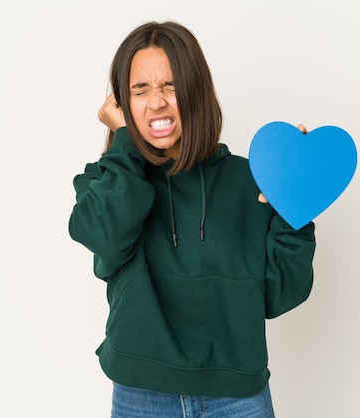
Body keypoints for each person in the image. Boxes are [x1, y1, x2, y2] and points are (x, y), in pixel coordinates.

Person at [69, 21, 316, 418]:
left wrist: (297, 204)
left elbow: (281, 293)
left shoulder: (251, 180)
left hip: (238, 395)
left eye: (170, 86)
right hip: (140, 395)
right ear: (121, 104)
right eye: (140, 90)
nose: (156, 102)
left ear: (194, 91)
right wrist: (125, 145)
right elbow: (105, 235)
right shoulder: (105, 180)